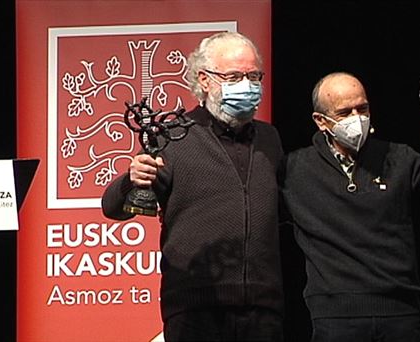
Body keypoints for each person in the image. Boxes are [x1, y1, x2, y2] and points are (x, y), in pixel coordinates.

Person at [102, 31, 284, 342]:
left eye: (254, 76)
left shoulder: (270, 139)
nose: (248, 86)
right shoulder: (172, 136)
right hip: (195, 307)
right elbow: (113, 208)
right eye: (235, 76)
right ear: (204, 80)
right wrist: (132, 179)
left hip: (263, 309)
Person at [279, 72, 420, 342]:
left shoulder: (399, 158)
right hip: (334, 319)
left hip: (400, 314)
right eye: (344, 112)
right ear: (320, 121)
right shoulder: (295, 169)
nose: (356, 118)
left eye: (362, 109)